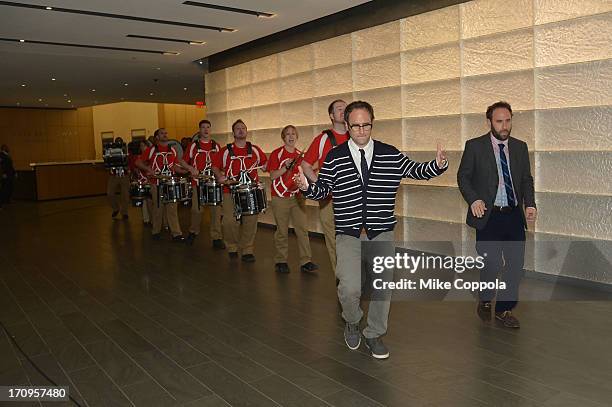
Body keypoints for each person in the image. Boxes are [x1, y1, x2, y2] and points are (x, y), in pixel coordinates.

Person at [294, 101, 448, 359]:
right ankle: (352, 319)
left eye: (366, 125)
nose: (361, 130)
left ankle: (374, 333)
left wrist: (437, 165)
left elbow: (415, 170)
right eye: (355, 125)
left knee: (382, 287)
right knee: (350, 288)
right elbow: (322, 190)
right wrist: (306, 187)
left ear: (372, 123)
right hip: (348, 233)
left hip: (381, 232)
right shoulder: (336, 156)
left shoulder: (389, 153)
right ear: (347, 125)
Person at [457, 101, 536, 329]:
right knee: (490, 263)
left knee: (514, 265)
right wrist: (474, 199)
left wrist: (529, 203)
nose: (504, 126)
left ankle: (504, 309)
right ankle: (485, 298)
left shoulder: (520, 147)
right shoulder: (475, 146)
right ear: (489, 122)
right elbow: (463, 177)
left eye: (508, 121)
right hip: (488, 216)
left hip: (513, 216)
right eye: (499, 121)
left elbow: (525, 180)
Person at [301, 100, 349, 274]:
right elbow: (306, 165)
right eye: (339, 109)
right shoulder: (322, 139)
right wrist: (320, 184)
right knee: (334, 240)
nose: (344, 110)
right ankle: (342, 277)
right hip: (329, 200)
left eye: (346, 108)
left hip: (354, 199)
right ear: (331, 116)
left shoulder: (358, 135)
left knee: (354, 239)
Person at [212, 120, 267, 262]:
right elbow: (215, 167)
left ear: (247, 131)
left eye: (243, 128)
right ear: (233, 132)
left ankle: (247, 249)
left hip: (250, 190)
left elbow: (265, 165)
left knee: (251, 220)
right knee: (229, 221)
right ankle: (232, 246)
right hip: (229, 190)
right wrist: (220, 176)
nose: (241, 130)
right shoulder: (225, 151)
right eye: (238, 128)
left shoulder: (255, 149)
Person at [266, 125, 318, 274]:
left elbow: (307, 173)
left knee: (302, 229)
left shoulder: (301, 156)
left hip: (298, 197)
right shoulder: (277, 154)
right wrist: (286, 167)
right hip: (280, 197)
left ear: (297, 137)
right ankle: (281, 261)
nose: (291, 136)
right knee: (282, 230)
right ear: (283, 137)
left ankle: (306, 261)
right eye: (288, 134)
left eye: (293, 134)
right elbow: (272, 176)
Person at [180, 120, 225, 249]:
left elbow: (220, 164)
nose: (206, 129)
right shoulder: (194, 146)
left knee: (216, 211)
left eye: (208, 127)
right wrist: (190, 168)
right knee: (197, 210)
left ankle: (216, 237)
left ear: (211, 129)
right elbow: (182, 161)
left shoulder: (216, 146)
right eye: (203, 127)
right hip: (198, 183)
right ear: (199, 130)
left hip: (213, 183)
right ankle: (193, 232)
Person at [136, 128, 185, 241]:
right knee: (158, 207)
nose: (165, 135)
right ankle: (156, 231)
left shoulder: (172, 149)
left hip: (169, 183)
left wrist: (184, 171)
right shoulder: (151, 150)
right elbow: (138, 162)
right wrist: (148, 168)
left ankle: (176, 234)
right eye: (162, 133)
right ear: (157, 137)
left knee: (172, 209)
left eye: (166, 133)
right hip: (156, 183)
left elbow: (174, 166)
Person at [105, 137, 130, 220]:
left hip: (124, 175)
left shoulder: (126, 151)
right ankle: (116, 208)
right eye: (117, 142)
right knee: (109, 193)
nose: (118, 144)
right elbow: (107, 163)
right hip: (114, 175)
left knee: (125, 195)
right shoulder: (110, 152)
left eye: (120, 142)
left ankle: (124, 212)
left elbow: (129, 162)